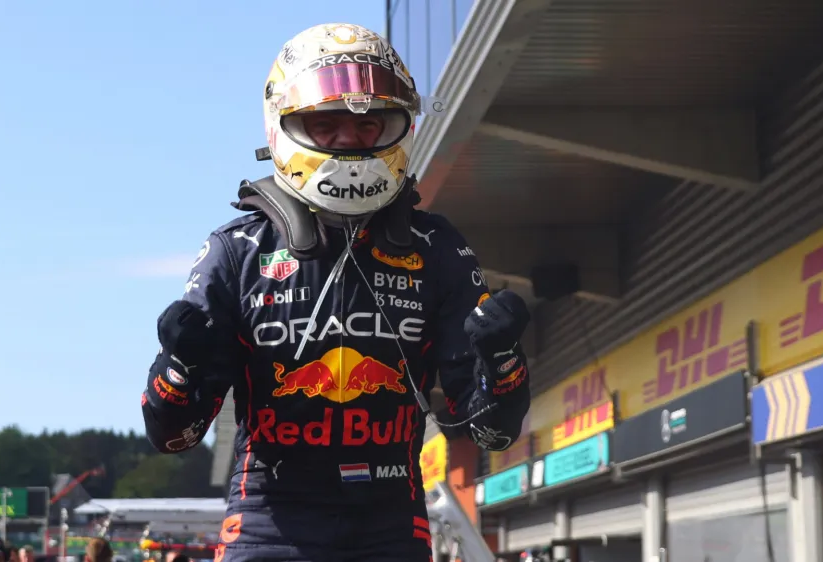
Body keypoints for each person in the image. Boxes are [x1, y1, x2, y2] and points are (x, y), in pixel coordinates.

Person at [140, 22, 532, 562]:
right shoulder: (235, 251)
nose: (350, 140)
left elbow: (490, 433)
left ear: (400, 126)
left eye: (369, 124)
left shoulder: (437, 247)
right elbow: (172, 435)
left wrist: (505, 359)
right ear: (285, 126)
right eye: (328, 125)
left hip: (390, 524)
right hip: (268, 523)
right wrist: (177, 367)